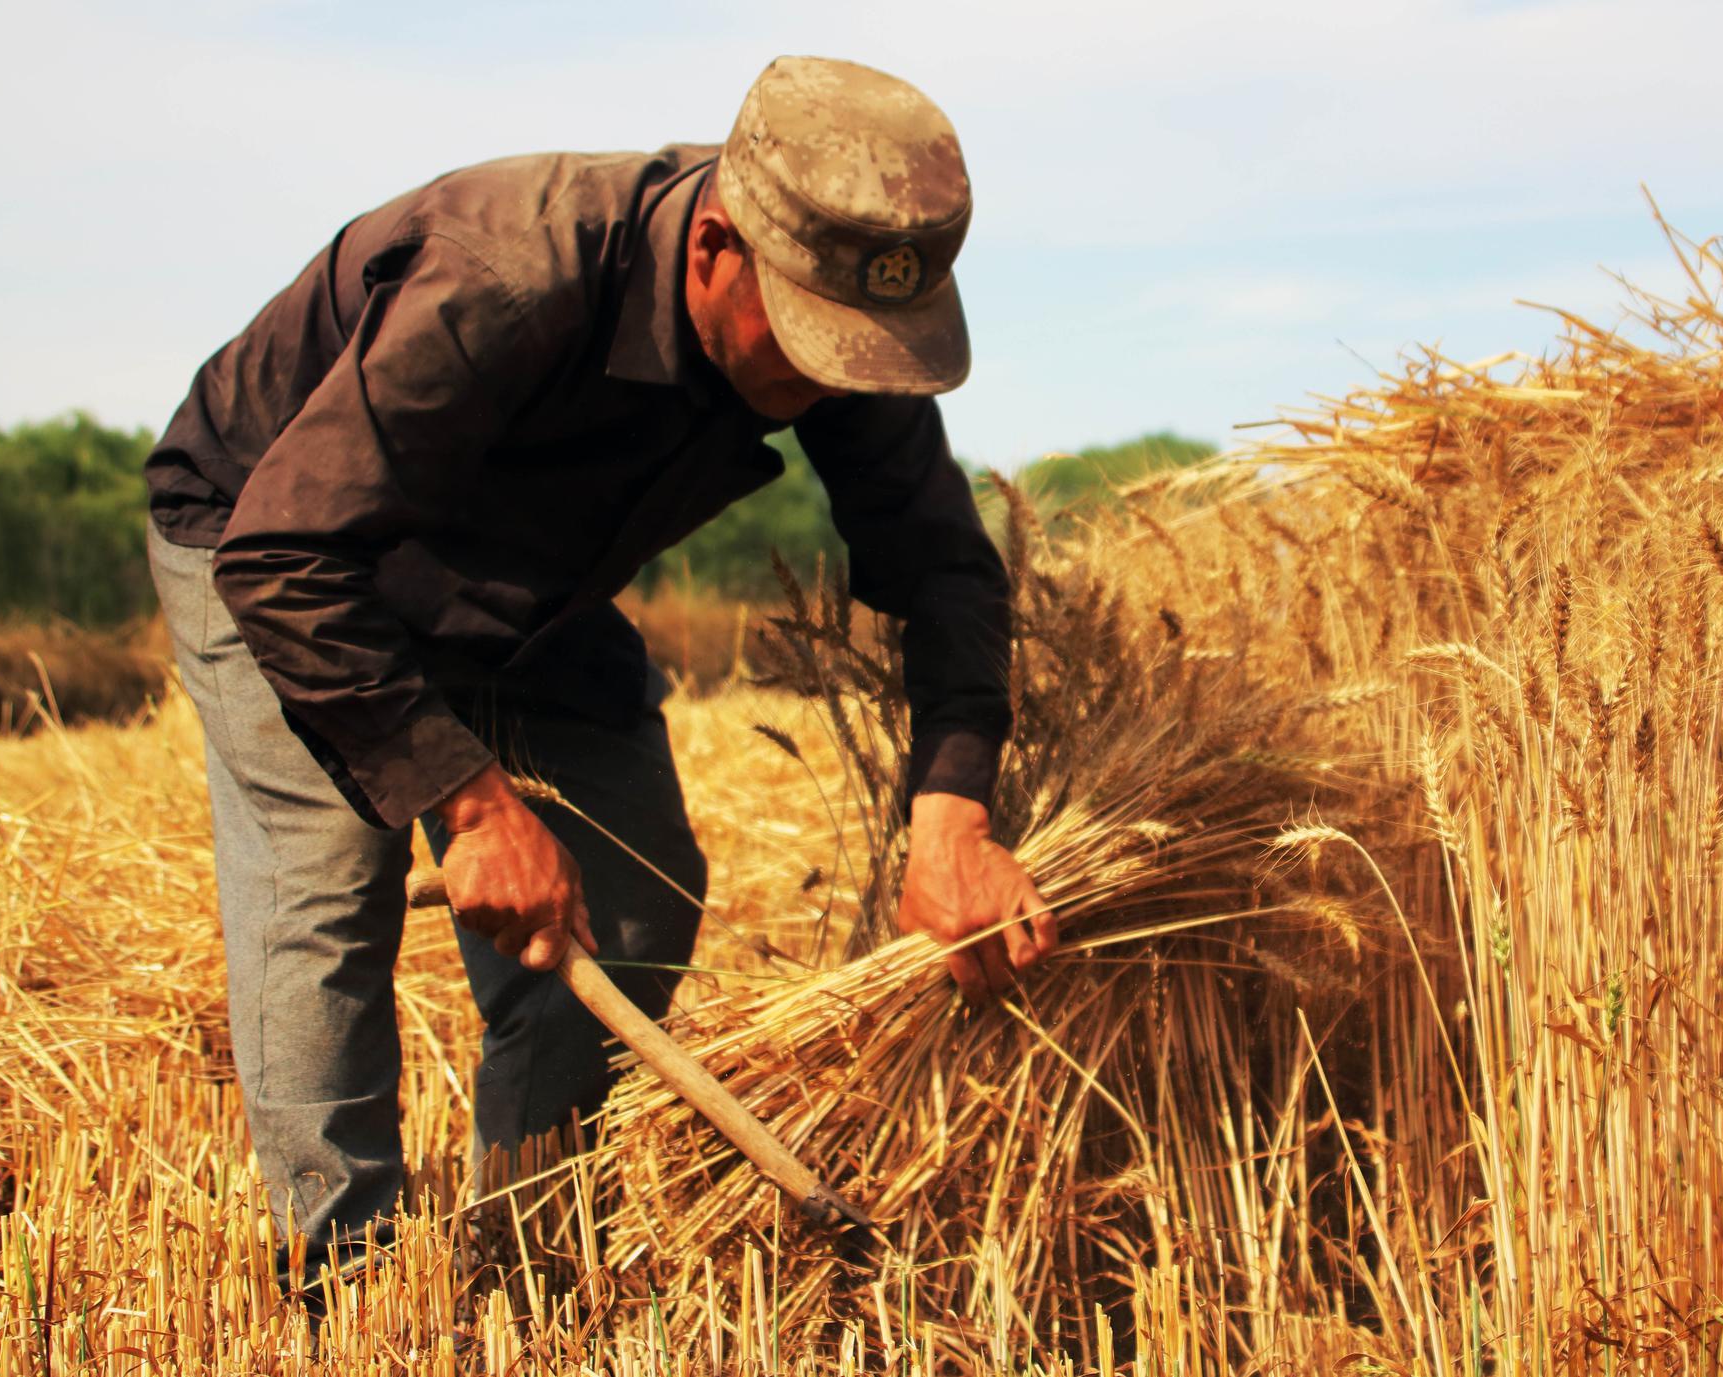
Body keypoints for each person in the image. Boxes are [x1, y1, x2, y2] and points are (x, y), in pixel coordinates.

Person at [140, 54, 1056, 1293]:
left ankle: (521, 1266)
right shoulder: (507, 276)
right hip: (276, 537)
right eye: (802, 345)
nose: (824, 383)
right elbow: (289, 552)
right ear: (717, 247)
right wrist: (464, 802)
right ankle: (339, 1283)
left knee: (633, 891)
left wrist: (949, 813)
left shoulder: (836, 331)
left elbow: (947, 569)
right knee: (329, 889)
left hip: (527, 576)